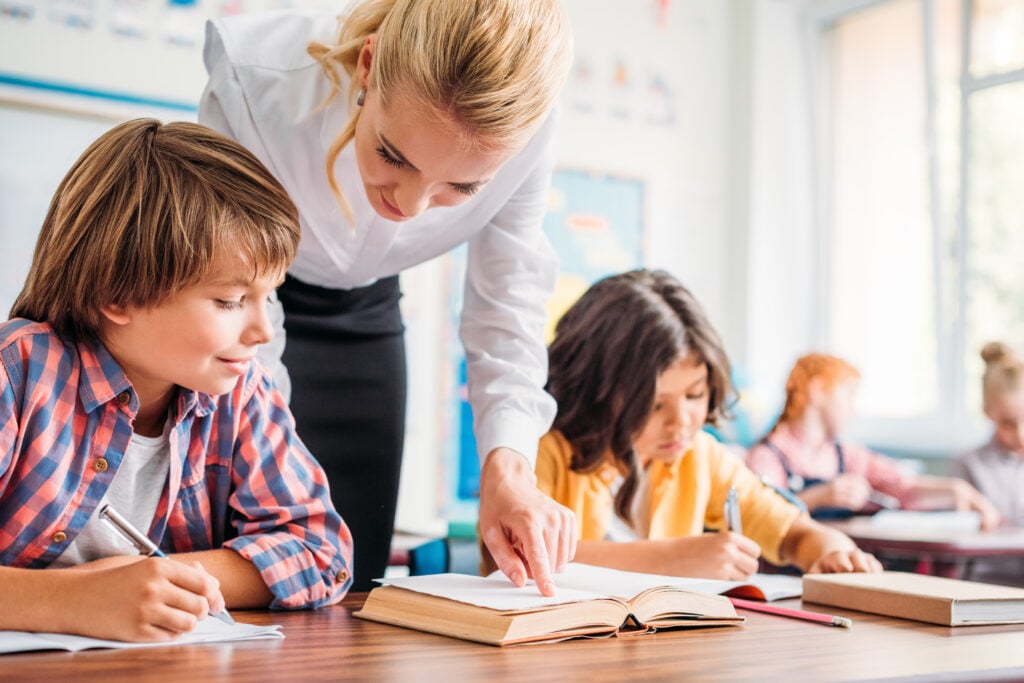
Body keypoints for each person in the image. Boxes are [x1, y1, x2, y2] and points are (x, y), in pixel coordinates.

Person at [198, 0, 576, 593]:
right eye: (392, 155)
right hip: (236, 307)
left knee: (353, 579)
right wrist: (268, 442)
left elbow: (508, 303)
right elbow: (223, 278)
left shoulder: (527, 134)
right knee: (240, 559)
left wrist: (508, 466)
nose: (413, 203)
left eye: (462, 187)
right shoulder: (258, 81)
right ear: (369, 65)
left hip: (369, 318)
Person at [0, 119, 352, 642]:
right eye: (230, 301)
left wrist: (162, 585)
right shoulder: (18, 372)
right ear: (116, 293)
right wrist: (69, 599)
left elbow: (322, 552)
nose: (262, 331)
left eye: (270, 295)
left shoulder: (241, 392)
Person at [486, 269, 880, 579]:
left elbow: (793, 533)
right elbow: (519, 562)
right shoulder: (540, 450)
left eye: (695, 396)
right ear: (598, 390)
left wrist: (831, 551)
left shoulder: (701, 456)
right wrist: (674, 558)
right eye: (654, 404)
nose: (681, 422)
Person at [747, 353, 1001, 528]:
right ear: (817, 391)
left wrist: (955, 489)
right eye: (849, 394)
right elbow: (759, 516)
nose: (853, 409)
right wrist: (817, 497)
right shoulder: (767, 455)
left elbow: (902, 487)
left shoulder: (847, 455)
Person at [951, 342, 1024, 585]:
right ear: (988, 413)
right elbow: (954, 533)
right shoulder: (969, 465)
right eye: (1008, 423)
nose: (1020, 434)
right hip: (984, 583)